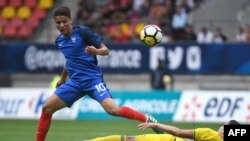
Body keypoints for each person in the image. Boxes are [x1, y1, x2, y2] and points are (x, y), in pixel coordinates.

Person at [36, 6, 163, 141]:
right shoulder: (59, 40)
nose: (61, 25)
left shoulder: (83, 33)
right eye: (58, 23)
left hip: (92, 80)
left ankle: (147, 119)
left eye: (64, 21)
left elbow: (106, 50)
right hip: (75, 83)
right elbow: (70, 60)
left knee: (113, 110)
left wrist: (96, 51)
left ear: (70, 20)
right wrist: (62, 79)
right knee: (46, 109)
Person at [85, 119, 240, 141]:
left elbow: (178, 132)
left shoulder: (210, 134)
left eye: (224, 125)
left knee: (129, 139)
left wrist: (158, 125)